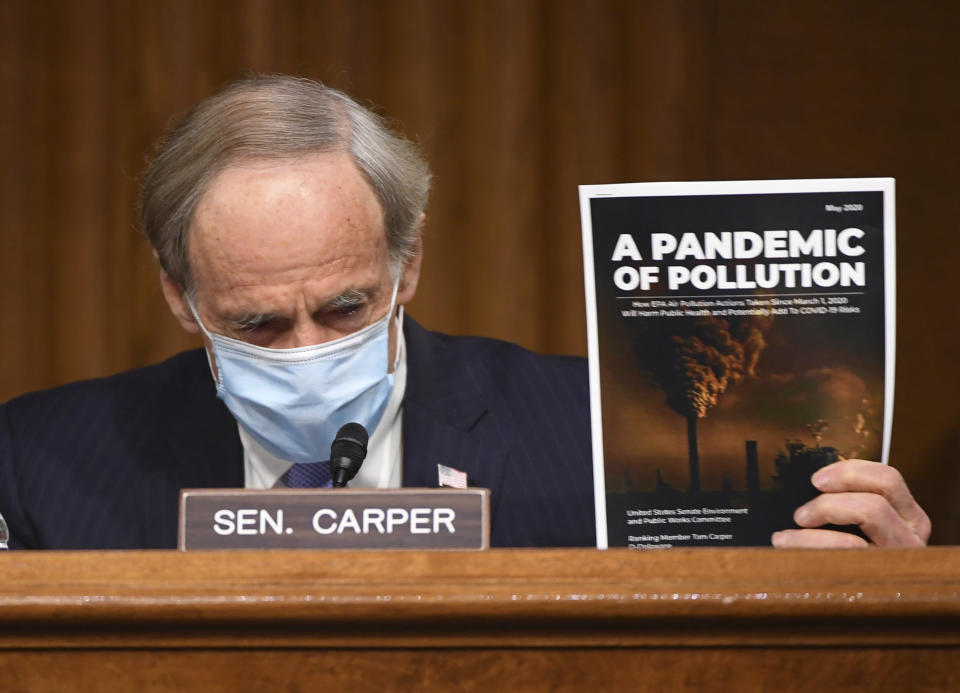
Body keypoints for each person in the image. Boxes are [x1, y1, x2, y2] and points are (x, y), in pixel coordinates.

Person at [0, 75, 930, 551]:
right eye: (256, 325)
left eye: (345, 304)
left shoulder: (599, 440)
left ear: (407, 266)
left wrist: (885, 589)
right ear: (179, 295)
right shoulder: (40, 464)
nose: (308, 350)